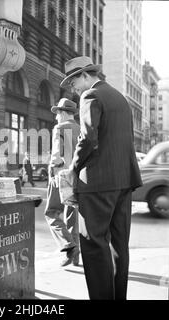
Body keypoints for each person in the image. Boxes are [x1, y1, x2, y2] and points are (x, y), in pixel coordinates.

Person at [60, 56, 142, 300]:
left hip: (97, 183)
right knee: (119, 246)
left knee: (94, 246)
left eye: (74, 83)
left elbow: (88, 139)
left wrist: (73, 168)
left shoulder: (91, 96)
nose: (74, 90)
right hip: (124, 181)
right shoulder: (120, 98)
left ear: (86, 75)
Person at [44, 98, 80, 267]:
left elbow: (57, 156)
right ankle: (75, 256)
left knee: (51, 212)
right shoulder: (80, 129)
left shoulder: (60, 128)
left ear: (64, 113)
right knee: (72, 216)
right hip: (77, 178)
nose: (56, 117)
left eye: (58, 113)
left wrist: (52, 173)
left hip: (61, 177)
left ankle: (67, 244)